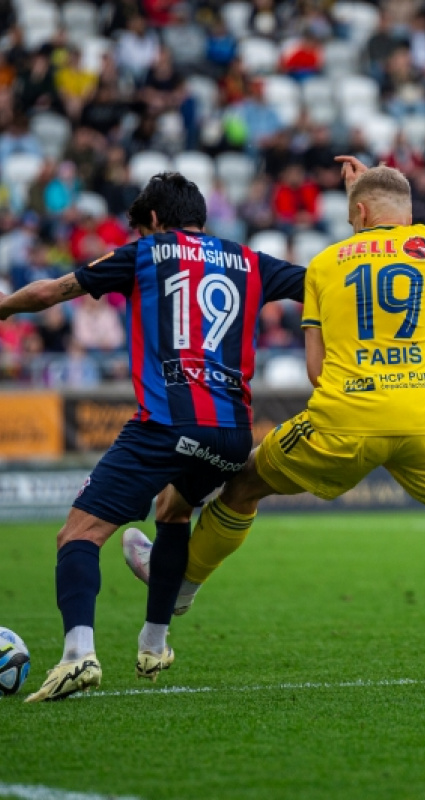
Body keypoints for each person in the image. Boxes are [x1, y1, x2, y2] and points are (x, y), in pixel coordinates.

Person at [125, 159, 425, 685]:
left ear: (357, 212)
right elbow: (392, 218)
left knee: (242, 484)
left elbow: (315, 368)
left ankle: (182, 588)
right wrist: (367, 191)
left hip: (346, 417)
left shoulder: (326, 264)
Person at [0, 173, 306, 702]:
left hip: (167, 421)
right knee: (172, 512)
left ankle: (78, 655)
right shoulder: (251, 260)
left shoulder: (147, 253)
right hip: (232, 434)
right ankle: (153, 644)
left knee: (77, 536)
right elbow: (323, 282)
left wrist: (2, 308)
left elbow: (53, 291)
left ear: (157, 222)